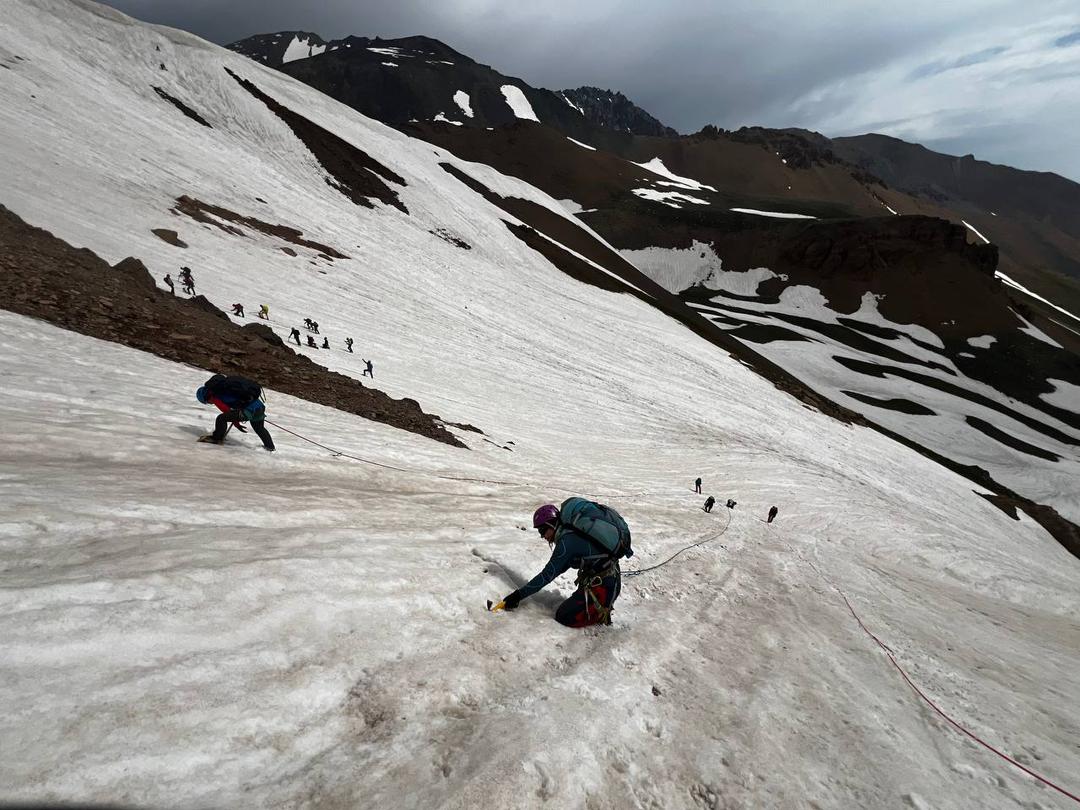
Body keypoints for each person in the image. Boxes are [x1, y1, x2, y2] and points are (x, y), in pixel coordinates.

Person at [500, 500, 631, 628]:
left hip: (603, 588)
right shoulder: (572, 533)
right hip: (609, 579)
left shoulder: (566, 542)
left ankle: (599, 615)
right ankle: (597, 609)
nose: (542, 536)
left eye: (542, 531)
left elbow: (547, 575)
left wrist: (518, 596)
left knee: (564, 616)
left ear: (551, 524)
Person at [195, 374, 274, 451]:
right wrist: (237, 422)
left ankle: (216, 438)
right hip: (259, 407)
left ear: (206, 397)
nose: (210, 403)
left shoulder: (216, 396)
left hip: (249, 410)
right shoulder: (225, 389)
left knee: (221, 418)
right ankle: (270, 447)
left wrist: (236, 424)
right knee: (260, 428)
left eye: (207, 402)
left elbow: (227, 412)